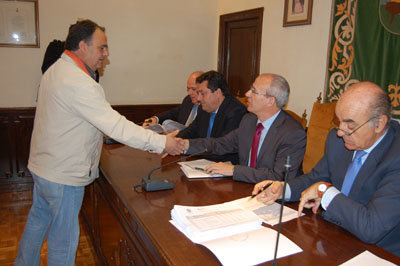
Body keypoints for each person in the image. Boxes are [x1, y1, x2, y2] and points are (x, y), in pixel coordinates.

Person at [15, 20, 185, 265]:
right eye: (102, 48)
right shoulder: (78, 82)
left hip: (45, 168)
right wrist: (161, 143)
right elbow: (115, 125)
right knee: (63, 240)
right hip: (63, 174)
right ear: (82, 46)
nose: (106, 55)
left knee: (38, 220)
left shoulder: (56, 69)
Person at [253, 82, 400, 256]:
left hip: (377, 252)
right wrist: (283, 189)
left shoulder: (395, 156)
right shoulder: (338, 140)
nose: (340, 132)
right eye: (339, 121)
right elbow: (317, 177)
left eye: (350, 126)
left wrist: (325, 191)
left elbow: (372, 227)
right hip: (334, 235)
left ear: (379, 123)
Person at [183, 73, 306, 183]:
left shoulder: (293, 133)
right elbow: (221, 144)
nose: (247, 94)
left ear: (270, 101)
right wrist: (183, 145)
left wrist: (235, 170)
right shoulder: (249, 120)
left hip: (274, 198)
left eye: (254, 91)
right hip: (244, 188)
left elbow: (278, 177)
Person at [178, 70, 247, 163]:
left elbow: (223, 147)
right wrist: (173, 142)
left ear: (217, 93)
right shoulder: (205, 108)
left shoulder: (236, 111)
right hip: (203, 163)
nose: (199, 98)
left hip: (224, 166)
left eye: (202, 93)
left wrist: (184, 147)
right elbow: (191, 130)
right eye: (198, 94)